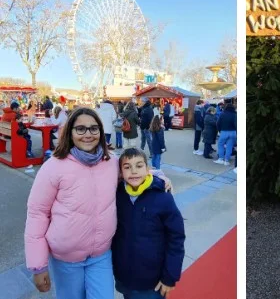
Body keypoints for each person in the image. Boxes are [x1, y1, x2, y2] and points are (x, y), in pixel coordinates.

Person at [24, 109, 115, 298]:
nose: (88, 134)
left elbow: (137, 170)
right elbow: (37, 213)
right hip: (66, 259)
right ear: (70, 132)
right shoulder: (54, 166)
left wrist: (160, 178)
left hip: (100, 255)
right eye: (80, 129)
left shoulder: (111, 162)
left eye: (93, 128)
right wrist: (38, 265)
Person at [112, 148, 184, 299]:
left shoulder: (163, 198)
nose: (133, 171)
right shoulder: (118, 195)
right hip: (125, 276)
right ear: (120, 172)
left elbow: (175, 239)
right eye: (127, 167)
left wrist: (170, 276)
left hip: (152, 280)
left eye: (139, 166)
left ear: (148, 169)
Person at [214, 99, 237, 167]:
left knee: (220, 145)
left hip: (224, 132)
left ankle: (221, 159)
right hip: (233, 132)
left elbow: (218, 123)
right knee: (229, 146)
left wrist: (219, 130)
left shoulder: (222, 114)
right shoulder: (235, 115)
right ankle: (226, 161)